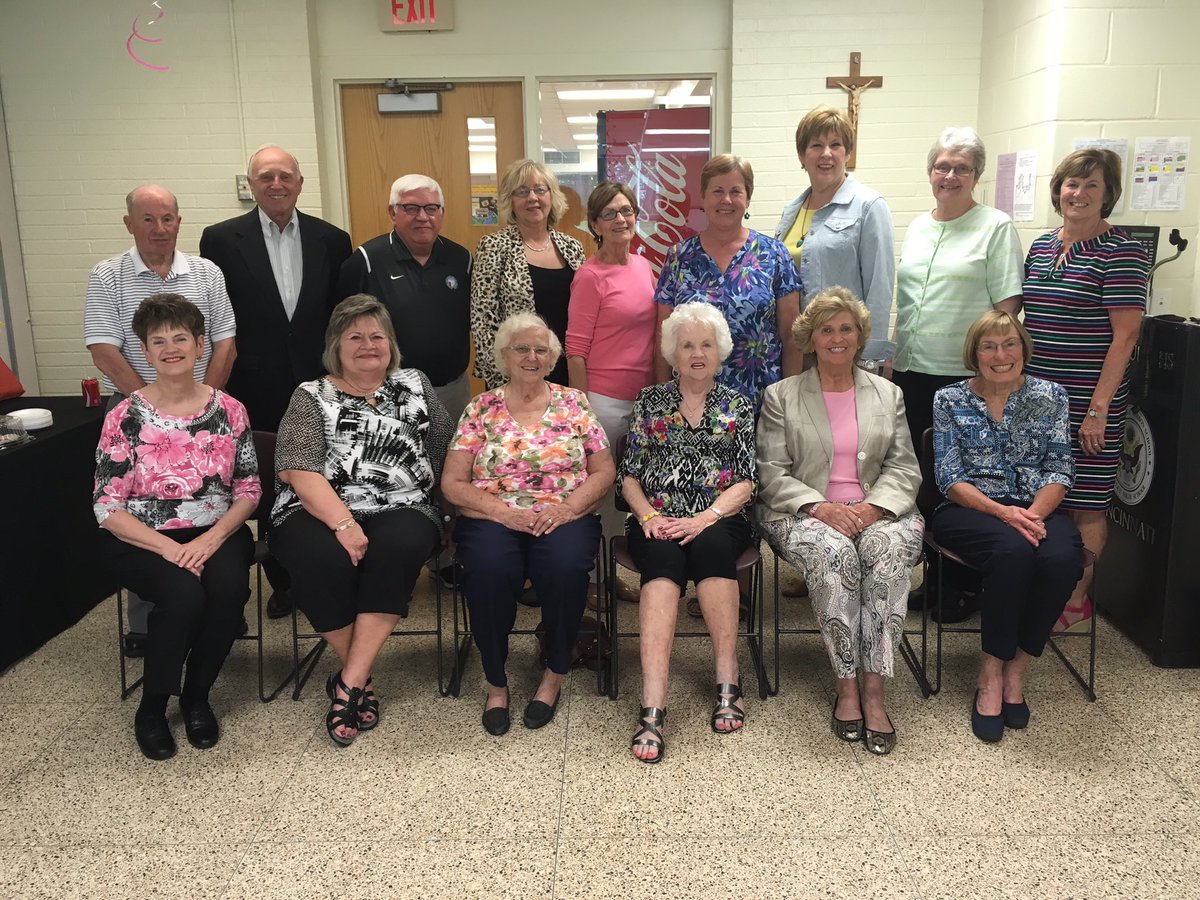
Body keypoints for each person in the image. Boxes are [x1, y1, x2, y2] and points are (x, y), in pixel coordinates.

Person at [269, 295, 454, 747]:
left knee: (398, 549)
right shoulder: (311, 395)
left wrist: (457, 504)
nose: (368, 345)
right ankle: (361, 680)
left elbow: (447, 447)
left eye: (377, 336)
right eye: (355, 337)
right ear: (336, 345)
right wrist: (343, 523)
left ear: (391, 344)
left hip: (404, 504)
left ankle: (350, 681)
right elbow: (298, 469)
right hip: (316, 507)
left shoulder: (415, 384)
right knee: (317, 556)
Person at [756, 288, 924, 756]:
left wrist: (874, 509)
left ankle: (875, 690)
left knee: (886, 556)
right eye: (826, 329)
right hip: (804, 512)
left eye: (846, 328)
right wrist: (820, 508)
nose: (837, 337)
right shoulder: (781, 396)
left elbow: (904, 467)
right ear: (810, 339)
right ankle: (846, 685)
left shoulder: (888, 393)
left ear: (859, 336)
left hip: (879, 509)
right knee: (834, 556)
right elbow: (771, 472)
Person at [93, 294, 259, 761]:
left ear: (200, 345)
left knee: (228, 590)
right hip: (141, 536)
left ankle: (196, 697)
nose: (170, 348)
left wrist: (211, 538)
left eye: (180, 338)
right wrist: (170, 550)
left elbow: (248, 488)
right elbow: (107, 506)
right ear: (144, 351)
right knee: (183, 595)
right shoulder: (124, 415)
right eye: (158, 341)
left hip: (217, 530)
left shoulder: (230, 410)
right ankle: (152, 708)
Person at [441, 313, 613, 737]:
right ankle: (496, 682)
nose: (531, 357)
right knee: (489, 568)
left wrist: (568, 508)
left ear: (552, 358)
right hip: (493, 515)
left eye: (541, 349)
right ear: (504, 356)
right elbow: (452, 483)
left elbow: (604, 470)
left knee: (564, 566)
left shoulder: (574, 403)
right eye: (522, 348)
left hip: (563, 513)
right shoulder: (481, 408)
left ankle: (554, 673)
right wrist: (503, 513)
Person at [84, 184, 238, 657]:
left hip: (203, 411)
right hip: (136, 408)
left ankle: (212, 615)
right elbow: (104, 349)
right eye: (148, 219)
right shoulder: (108, 275)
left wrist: (201, 403)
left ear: (179, 221)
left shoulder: (207, 272)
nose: (159, 228)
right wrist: (155, 406)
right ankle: (150, 626)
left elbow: (224, 343)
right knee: (141, 506)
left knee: (210, 500)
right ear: (129, 223)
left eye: (167, 218)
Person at [200, 145, 352, 619]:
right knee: (265, 479)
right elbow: (219, 315)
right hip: (255, 382)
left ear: (300, 183)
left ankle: (329, 569)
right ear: (251, 186)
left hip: (319, 381)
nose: (276, 184)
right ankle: (283, 581)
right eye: (265, 176)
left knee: (327, 472)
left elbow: (339, 316)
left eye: (285, 175)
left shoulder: (333, 239)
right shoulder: (221, 240)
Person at [931, 311, 1083, 743]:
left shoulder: (1051, 396)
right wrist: (1004, 513)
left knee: (1062, 558)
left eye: (1009, 344)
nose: (1001, 355)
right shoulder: (949, 399)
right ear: (974, 354)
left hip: (1037, 508)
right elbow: (949, 476)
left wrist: (1032, 514)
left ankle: (1017, 668)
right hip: (970, 510)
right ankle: (990, 674)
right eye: (989, 346)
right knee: (1012, 553)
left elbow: (1059, 469)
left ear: (1023, 348)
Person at [619, 303, 758, 763]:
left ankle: (727, 676)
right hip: (657, 517)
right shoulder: (650, 401)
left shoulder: (738, 404)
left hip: (719, 517)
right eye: (687, 346)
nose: (697, 354)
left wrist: (705, 518)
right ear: (673, 354)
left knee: (714, 549)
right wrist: (647, 517)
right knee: (662, 561)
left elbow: (747, 480)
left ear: (720, 352)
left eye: (706, 345)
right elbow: (629, 475)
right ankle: (653, 704)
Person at [1021, 148, 1148, 633]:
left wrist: (1098, 410)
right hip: (1037, 401)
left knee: (1086, 502)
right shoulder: (1041, 246)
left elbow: (1126, 337)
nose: (1079, 193)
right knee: (1041, 493)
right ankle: (1045, 585)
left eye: (1092, 185)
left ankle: (1075, 599)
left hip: (1089, 404)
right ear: (1059, 191)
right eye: (1072, 184)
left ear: (1108, 194)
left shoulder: (1122, 252)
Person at [893, 127, 1023, 445]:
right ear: (930, 173)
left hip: (965, 375)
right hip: (908, 372)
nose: (950, 176)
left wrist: (995, 373)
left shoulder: (996, 226)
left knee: (960, 465)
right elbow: (909, 302)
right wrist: (891, 359)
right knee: (913, 463)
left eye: (962, 168)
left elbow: (1006, 311)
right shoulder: (918, 227)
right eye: (943, 167)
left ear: (976, 177)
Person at [566, 182, 657, 606]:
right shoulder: (589, 276)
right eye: (610, 214)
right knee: (598, 495)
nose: (621, 219)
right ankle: (589, 581)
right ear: (595, 225)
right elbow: (575, 349)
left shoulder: (643, 266)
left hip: (644, 402)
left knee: (627, 494)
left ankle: (609, 574)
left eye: (627, 211)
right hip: (603, 402)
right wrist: (581, 411)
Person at [654, 154, 801, 412]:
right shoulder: (679, 257)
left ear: (748, 198)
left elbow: (791, 336)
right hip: (691, 407)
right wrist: (666, 404)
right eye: (718, 191)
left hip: (760, 404)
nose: (726, 200)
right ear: (703, 196)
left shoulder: (774, 255)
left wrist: (789, 403)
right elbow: (663, 337)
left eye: (736, 191)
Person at [337, 173, 473, 424]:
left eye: (431, 208)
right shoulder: (366, 260)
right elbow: (342, 331)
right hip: (387, 392)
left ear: (441, 212)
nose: (423, 216)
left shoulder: (461, 259)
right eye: (411, 208)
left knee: (455, 450)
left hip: (452, 391)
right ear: (392, 212)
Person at [774, 106, 896, 372]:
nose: (826, 154)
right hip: (797, 354)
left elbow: (879, 287)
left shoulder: (869, 206)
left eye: (836, 144)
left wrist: (869, 359)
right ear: (801, 155)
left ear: (847, 153)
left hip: (844, 353)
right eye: (816, 145)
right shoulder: (790, 212)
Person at [471, 160, 586, 389]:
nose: (532, 198)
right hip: (517, 375)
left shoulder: (572, 247)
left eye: (540, 189)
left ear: (552, 196)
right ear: (510, 200)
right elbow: (482, 321)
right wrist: (503, 382)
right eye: (522, 191)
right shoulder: (494, 247)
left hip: (566, 369)